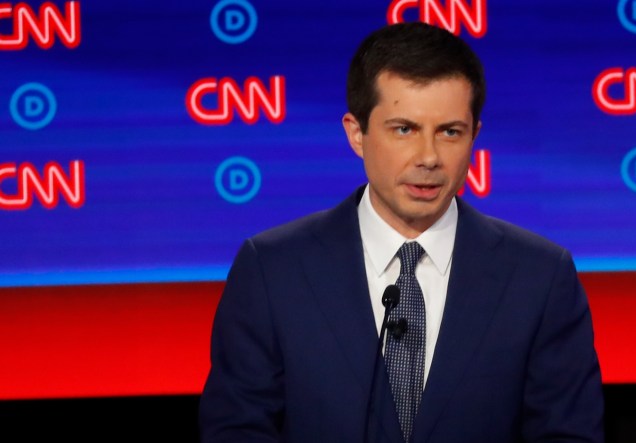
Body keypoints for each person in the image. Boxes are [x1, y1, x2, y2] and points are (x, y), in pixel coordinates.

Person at [199, 22, 604, 443]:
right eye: (404, 129)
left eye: (450, 132)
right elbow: (236, 430)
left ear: (474, 137)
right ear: (357, 133)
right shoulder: (272, 269)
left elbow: (568, 434)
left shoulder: (539, 277)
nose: (428, 157)